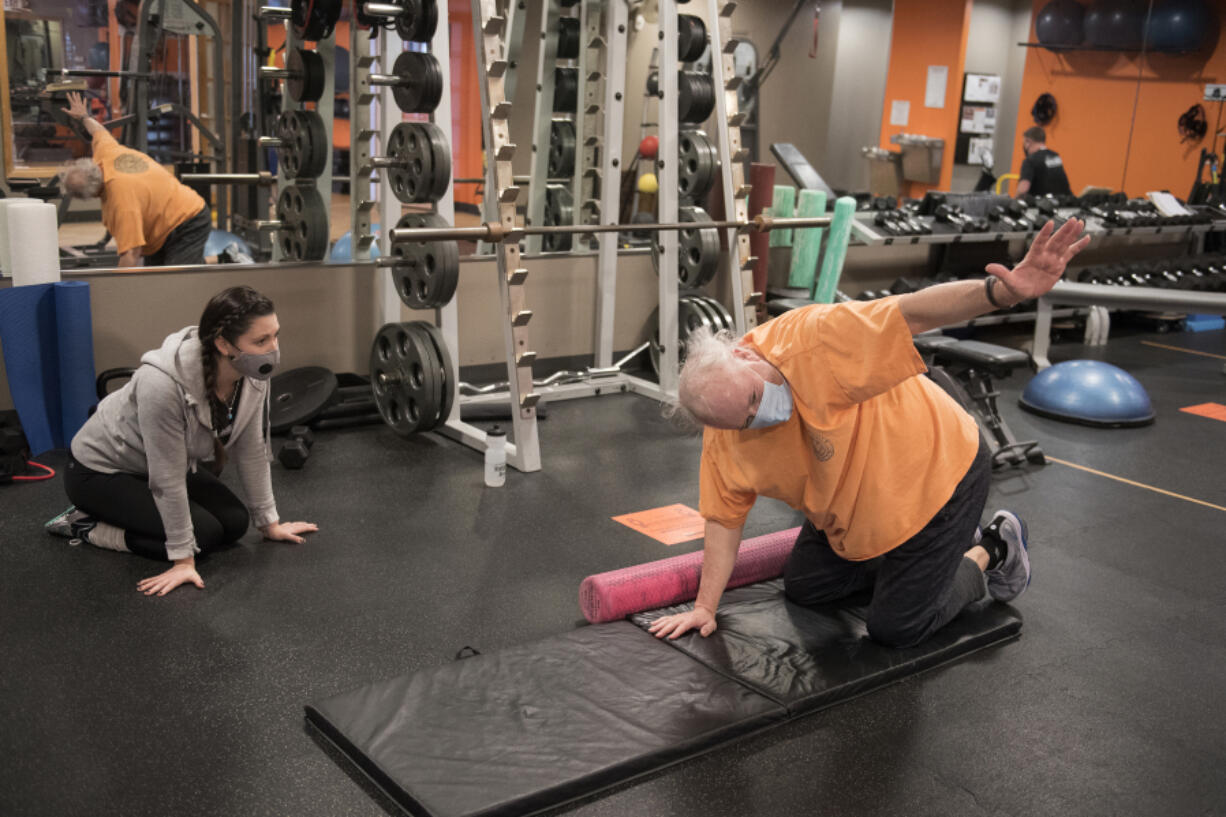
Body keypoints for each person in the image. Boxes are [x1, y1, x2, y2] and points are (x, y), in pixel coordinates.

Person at [649, 219, 1090, 648]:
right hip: (853, 502)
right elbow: (724, 523)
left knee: (897, 628)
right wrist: (705, 608)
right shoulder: (723, 434)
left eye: (751, 399)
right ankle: (929, 560)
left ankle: (990, 548)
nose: (755, 414)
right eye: (742, 420)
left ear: (744, 354)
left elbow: (914, 310)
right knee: (805, 587)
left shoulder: (815, 341)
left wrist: (1000, 293)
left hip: (938, 473)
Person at [45, 286, 318, 596]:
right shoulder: (161, 383)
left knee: (235, 522)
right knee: (203, 536)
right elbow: (167, 479)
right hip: (99, 471)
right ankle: (82, 523)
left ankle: (141, 520)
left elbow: (252, 448)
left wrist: (270, 523)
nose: (273, 349)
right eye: (261, 341)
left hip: (153, 463)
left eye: (275, 335)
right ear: (223, 343)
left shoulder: (252, 372)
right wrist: (183, 560)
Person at [56, 91, 212, 267]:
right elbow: (98, 130)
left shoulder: (121, 203)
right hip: (161, 229)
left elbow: (131, 255)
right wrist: (84, 116)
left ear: (89, 196)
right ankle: (212, 262)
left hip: (188, 220)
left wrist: (119, 290)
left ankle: (221, 266)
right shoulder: (106, 154)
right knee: (156, 282)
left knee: (176, 283)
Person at [1016, 126, 1072, 198]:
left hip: (1040, 205)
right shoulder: (1054, 156)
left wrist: (1014, 202)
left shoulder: (1030, 160)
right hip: (1062, 203)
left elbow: (1023, 189)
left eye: (1024, 143)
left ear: (1028, 142)